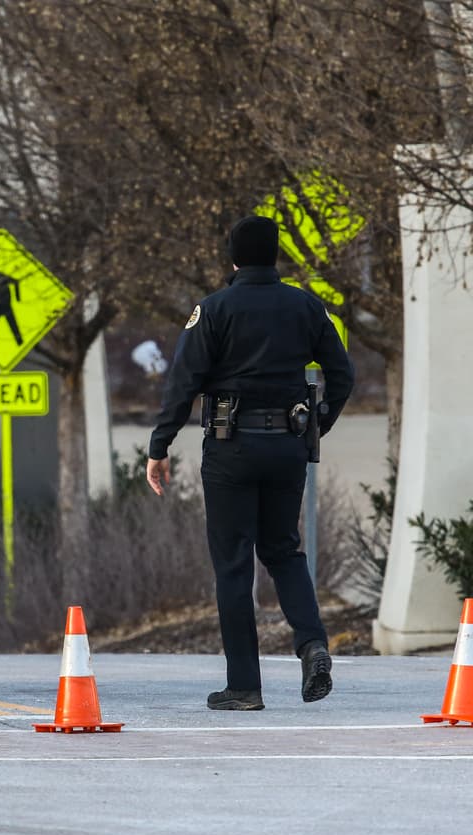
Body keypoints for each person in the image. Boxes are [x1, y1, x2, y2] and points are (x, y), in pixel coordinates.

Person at [145, 214, 355, 711]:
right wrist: (314, 424)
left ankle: (244, 686)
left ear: (233, 257)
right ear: (276, 254)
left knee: (235, 564)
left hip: (230, 447)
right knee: (284, 551)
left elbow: (183, 383)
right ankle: (311, 644)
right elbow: (341, 375)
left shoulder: (213, 309)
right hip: (288, 447)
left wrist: (159, 446)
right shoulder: (307, 306)